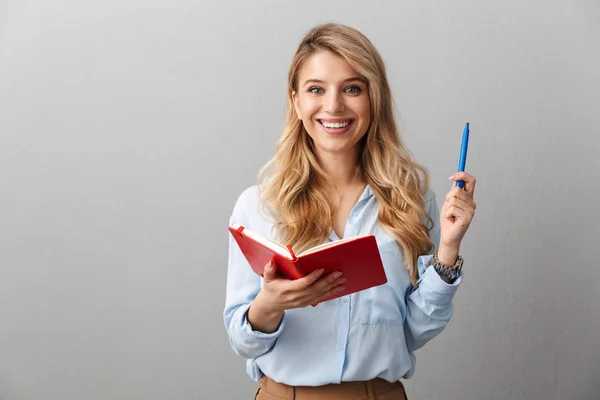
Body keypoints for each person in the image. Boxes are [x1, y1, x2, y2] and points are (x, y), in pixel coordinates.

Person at [223, 23, 477, 400]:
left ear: (374, 98)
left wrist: (449, 250)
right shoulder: (259, 206)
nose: (333, 106)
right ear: (296, 101)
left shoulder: (410, 201)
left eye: (352, 89)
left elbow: (415, 330)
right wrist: (269, 304)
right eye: (316, 89)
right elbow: (243, 342)